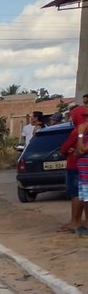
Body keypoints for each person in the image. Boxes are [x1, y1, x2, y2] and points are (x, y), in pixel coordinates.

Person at [58, 94, 88, 232]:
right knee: (83, 194)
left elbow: (66, 149)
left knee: (76, 193)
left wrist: (70, 150)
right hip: (80, 165)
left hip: (75, 165)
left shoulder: (79, 130)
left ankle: (75, 222)